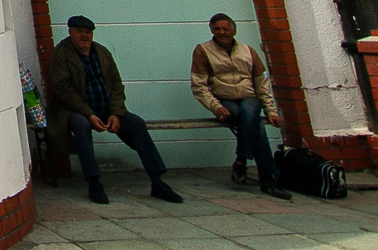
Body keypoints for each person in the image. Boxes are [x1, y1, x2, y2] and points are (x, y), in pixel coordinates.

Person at [46, 15, 184, 206]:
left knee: (136, 124)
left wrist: (116, 113)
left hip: (106, 108)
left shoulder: (102, 52)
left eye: (88, 32)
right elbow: (64, 90)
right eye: (80, 31)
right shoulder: (61, 54)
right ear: (70, 32)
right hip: (74, 110)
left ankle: (157, 182)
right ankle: (93, 182)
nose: (85, 36)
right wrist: (88, 114)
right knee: (80, 125)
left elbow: (117, 85)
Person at [192, 12, 292, 199]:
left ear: (234, 30)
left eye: (225, 28)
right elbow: (199, 85)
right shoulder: (203, 51)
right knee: (256, 126)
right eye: (217, 29)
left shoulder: (248, 51)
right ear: (211, 30)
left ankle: (242, 159)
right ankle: (268, 180)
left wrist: (271, 111)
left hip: (249, 97)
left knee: (249, 112)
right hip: (224, 99)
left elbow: (261, 83)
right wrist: (215, 107)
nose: (222, 32)